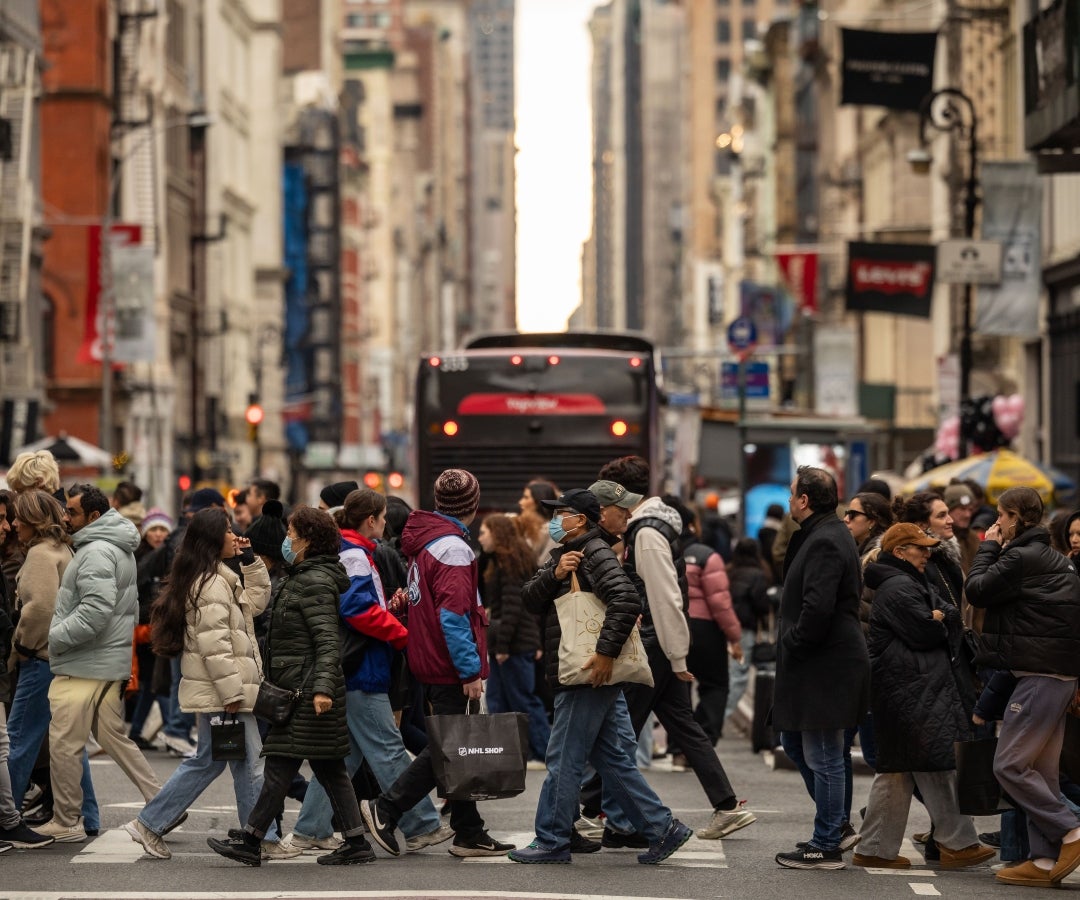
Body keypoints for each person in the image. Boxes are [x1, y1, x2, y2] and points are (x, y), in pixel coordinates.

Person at [510, 487, 692, 865]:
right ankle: (662, 828)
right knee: (611, 759)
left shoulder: (594, 553)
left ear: (582, 520)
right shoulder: (564, 555)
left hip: (586, 674)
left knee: (563, 758)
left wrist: (605, 654)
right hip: (584, 673)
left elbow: (626, 600)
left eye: (563, 514)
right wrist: (555, 573)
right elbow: (529, 598)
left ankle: (552, 838)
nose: (556, 520)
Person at [590, 458, 754, 843]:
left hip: (654, 647)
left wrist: (677, 657)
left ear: (621, 494)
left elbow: (664, 598)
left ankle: (586, 809)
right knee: (684, 728)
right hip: (661, 647)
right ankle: (727, 806)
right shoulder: (653, 526)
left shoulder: (646, 533)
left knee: (617, 732)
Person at [207, 506, 376, 866]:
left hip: (306, 692)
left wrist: (322, 689)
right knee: (327, 768)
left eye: (292, 534)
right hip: (299, 689)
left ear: (308, 540)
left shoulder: (313, 581)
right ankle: (356, 842)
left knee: (281, 768)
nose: (287, 539)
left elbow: (328, 641)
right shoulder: (304, 575)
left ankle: (252, 841)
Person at [359, 469, 514, 859]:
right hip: (449, 663)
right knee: (451, 747)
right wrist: (469, 670)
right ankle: (387, 807)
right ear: (473, 506)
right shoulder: (454, 549)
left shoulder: (426, 543)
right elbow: (454, 615)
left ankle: (468, 830)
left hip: (427, 657)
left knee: (454, 745)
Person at [286, 489, 450, 855]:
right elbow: (358, 610)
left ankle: (310, 829)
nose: (386, 522)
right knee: (388, 749)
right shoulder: (356, 554)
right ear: (371, 519)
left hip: (356, 666)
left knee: (343, 757)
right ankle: (422, 825)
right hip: (363, 668)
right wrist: (402, 634)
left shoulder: (351, 551)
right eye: (382, 516)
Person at [122, 508, 290, 860]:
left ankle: (259, 836)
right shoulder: (211, 584)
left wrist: (250, 561)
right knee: (237, 765)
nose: (236, 536)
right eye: (229, 531)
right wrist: (232, 693)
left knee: (224, 763)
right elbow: (215, 646)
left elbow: (256, 605)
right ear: (214, 539)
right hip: (225, 692)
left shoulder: (217, 576)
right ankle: (152, 824)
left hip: (225, 690)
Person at [852, 523, 992, 870]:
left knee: (908, 768)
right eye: (921, 548)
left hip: (914, 688)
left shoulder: (909, 581)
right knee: (930, 763)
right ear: (900, 552)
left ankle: (878, 847)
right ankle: (956, 844)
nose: (928, 554)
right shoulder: (899, 586)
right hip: (910, 689)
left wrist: (941, 616)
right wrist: (938, 619)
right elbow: (926, 631)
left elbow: (951, 614)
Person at [965, 486, 1080, 888]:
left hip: (1038, 674)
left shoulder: (1019, 556)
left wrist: (988, 547)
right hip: (1059, 675)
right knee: (1041, 773)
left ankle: (1072, 830)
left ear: (1016, 517)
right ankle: (1045, 859)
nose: (997, 522)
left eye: (1001, 515)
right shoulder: (1054, 559)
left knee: (1009, 764)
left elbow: (976, 589)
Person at [38, 484, 162, 843]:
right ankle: (161, 801)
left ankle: (66, 820)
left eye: (71, 512)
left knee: (63, 744)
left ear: (94, 516)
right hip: (104, 660)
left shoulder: (95, 551)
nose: (64, 516)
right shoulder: (112, 545)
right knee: (112, 736)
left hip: (84, 663)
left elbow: (95, 610)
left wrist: (56, 636)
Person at [773, 466, 869, 870]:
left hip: (825, 663)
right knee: (795, 742)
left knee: (826, 753)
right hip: (818, 662)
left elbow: (818, 607)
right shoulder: (822, 533)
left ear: (805, 500)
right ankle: (836, 827)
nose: (790, 498)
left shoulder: (827, 539)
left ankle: (826, 842)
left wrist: (792, 643)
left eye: (793, 492)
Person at [5, 490, 100, 841]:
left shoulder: (41, 555)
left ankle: (6, 814)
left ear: (32, 521)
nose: (13, 524)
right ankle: (88, 814)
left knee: (18, 739)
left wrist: (22, 646)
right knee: (70, 740)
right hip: (66, 658)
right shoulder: (64, 549)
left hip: (41, 660)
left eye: (18, 518)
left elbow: (40, 609)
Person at [662, 496, 742, 746]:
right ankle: (702, 741)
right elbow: (720, 603)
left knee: (677, 690)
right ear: (693, 526)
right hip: (705, 630)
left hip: (670, 626)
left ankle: (677, 746)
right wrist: (734, 637)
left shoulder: (658, 552)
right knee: (715, 685)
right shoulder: (707, 556)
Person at [477, 513, 550, 764]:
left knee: (519, 699)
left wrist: (503, 645)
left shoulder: (508, 563)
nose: (480, 537)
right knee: (503, 699)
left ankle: (545, 751)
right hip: (513, 640)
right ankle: (514, 752)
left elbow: (512, 607)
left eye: (484, 532)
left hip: (513, 643)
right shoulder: (501, 559)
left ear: (497, 534)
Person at [724, 538, 771, 722]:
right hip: (745, 627)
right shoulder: (758, 574)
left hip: (725, 625)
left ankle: (716, 714)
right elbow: (761, 605)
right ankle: (721, 716)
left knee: (730, 673)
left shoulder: (728, 571)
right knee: (739, 675)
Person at [895, 492, 964, 613]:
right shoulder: (916, 561)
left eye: (948, 513)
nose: (951, 520)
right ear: (921, 525)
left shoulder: (944, 556)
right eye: (941, 516)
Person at [516, 479, 560, 563]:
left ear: (538, 500)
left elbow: (543, 565)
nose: (520, 502)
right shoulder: (523, 525)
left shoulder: (553, 531)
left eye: (526, 497)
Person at [944, 484, 981, 575]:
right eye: (962, 509)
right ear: (949, 509)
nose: (967, 515)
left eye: (970, 509)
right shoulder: (942, 539)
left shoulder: (973, 537)